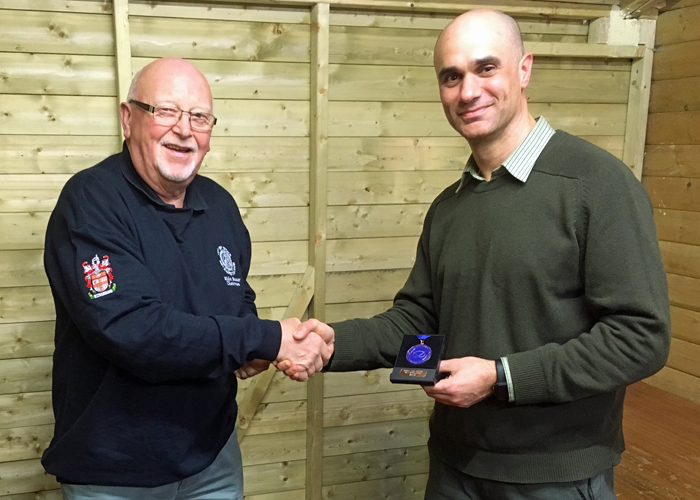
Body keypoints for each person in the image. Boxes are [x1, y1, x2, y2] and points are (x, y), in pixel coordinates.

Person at [282, 9, 671, 500]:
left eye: (486, 68)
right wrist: (332, 342)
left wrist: (500, 378)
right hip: (453, 468)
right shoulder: (449, 208)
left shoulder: (598, 186)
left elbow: (642, 337)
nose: (468, 91)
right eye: (451, 76)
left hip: (554, 478)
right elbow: (417, 324)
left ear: (524, 69)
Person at [42, 57, 330, 500]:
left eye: (199, 117)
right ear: (128, 118)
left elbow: (237, 296)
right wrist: (265, 337)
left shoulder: (221, 206)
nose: (184, 129)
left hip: (213, 460)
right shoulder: (91, 202)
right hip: (115, 475)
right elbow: (133, 330)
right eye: (166, 111)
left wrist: (251, 348)